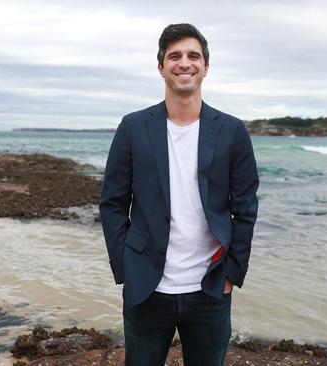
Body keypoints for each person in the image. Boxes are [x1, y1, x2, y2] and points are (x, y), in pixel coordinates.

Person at [99, 23, 259, 366]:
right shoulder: (133, 127)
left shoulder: (231, 131)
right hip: (147, 287)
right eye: (175, 56)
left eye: (193, 56)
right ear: (161, 67)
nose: (184, 63)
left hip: (210, 286)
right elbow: (112, 203)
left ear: (205, 66)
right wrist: (126, 266)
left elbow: (245, 208)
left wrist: (232, 273)